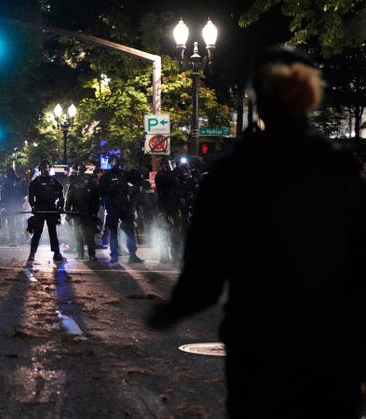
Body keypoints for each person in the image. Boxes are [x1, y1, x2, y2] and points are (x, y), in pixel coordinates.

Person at [148, 45, 366, 418]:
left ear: (258, 98)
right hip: (331, 347)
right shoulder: (341, 169)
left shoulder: (232, 172)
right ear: (310, 98)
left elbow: (205, 272)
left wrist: (171, 311)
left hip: (259, 341)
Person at [98, 155, 144, 264]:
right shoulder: (106, 176)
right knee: (113, 232)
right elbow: (101, 191)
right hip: (113, 206)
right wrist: (110, 190)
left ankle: (132, 254)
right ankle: (114, 255)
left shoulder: (124, 174)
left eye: (116, 161)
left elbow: (137, 182)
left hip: (124, 206)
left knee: (129, 230)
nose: (115, 163)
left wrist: (136, 173)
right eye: (113, 162)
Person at [27, 160, 65, 262]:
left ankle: (56, 253)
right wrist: (33, 206)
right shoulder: (35, 182)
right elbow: (31, 196)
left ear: (49, 168)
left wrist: (61, 206)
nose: (45, 169)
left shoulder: (54, 181)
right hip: (40, 208)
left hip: (51, 208)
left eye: (47, 167)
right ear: (40, 169)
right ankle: (32, 253)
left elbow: (61, 194)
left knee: (53, 232)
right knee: (37, 232)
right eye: (43, 167)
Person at [65, 162, 101, 261]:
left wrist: (94, 211)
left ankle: (89, 254)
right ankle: (84, 254)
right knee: (79, 234)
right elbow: (69, 197)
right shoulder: (78, 181)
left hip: (87, 212)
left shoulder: (89, 181)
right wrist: (68, 212)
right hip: (79, 212)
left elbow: (96, 198)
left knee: (87, 235)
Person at [0, 166, 26, 247]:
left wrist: (2, 204)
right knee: (19, 223)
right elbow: (25, 192)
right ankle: (21, 239)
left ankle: (14, 240)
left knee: (12, 223)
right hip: (18, 204)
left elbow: (3, 194)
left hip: (10, 205)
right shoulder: (19, 181)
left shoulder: (6, 183)